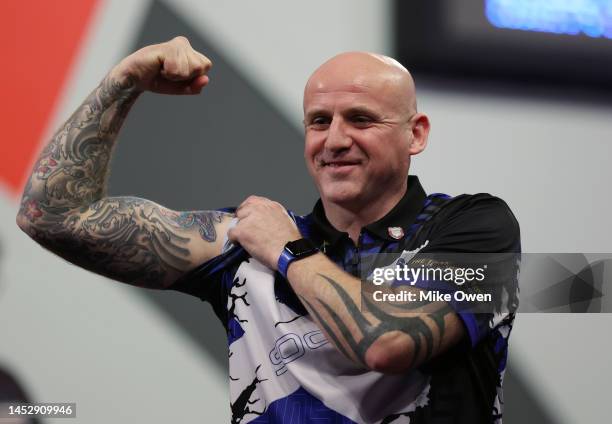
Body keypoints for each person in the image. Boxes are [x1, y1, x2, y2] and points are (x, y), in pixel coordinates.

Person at [16, 36, 520, 423]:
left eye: (361, 119)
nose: (336, 139)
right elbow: (52, 217)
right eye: (319, 121)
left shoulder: (475, 226)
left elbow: (386, 342)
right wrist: (124, 79)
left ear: (416, 133)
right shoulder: (246, 244)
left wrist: (287, 249)